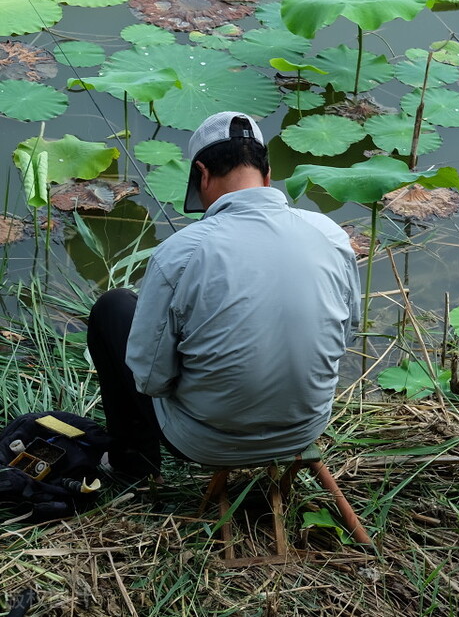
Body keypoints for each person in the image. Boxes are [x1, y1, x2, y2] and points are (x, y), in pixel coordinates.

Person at [87, 111, 360, 479]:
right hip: (305, 428)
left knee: (113, 307)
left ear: (201, 173)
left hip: (208, 442)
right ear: (267, 175)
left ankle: (132, 467)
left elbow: (151, 380)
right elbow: (346, 334)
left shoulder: (179, 252)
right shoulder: (329, 234)